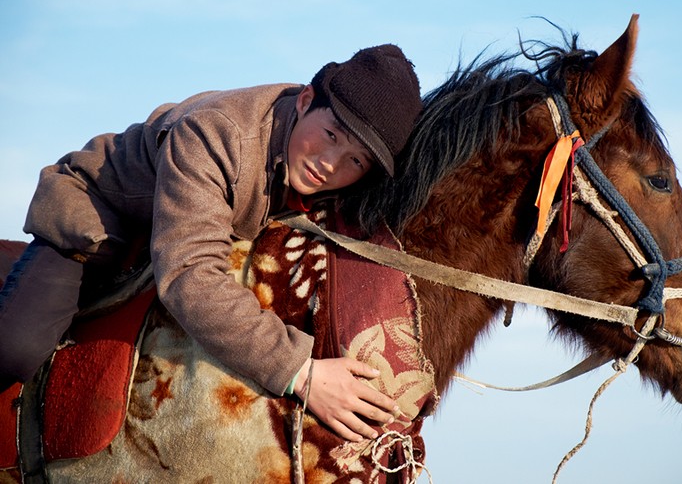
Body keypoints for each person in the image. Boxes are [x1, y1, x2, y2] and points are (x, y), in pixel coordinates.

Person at [0, 44, 423, 442]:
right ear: (305, 100)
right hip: (98, 221)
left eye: (355, 160)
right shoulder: (218, 134)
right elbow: (190, 274)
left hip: (174, 237)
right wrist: (302, 372)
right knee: (16, 350)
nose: (330, 165)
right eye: (331, 135)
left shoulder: (324, 172)